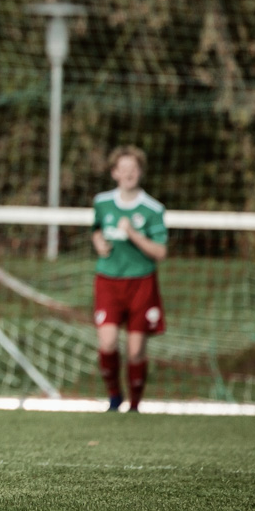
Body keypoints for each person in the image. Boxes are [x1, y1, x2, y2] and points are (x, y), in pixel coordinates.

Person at [91, 145, 168, 412]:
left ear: (140, 172)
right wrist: (99, 242)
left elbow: (160, 251)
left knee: (135, 351)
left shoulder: (152, 209)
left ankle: (135, 406)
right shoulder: (102, 202)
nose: (128, 174)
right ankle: (114, 396)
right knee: (108, 342)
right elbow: (97, 231)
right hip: (108, 280)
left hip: (141, 282)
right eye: (123, 169)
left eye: (133, 169)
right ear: (114, 173)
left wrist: (134, 234)